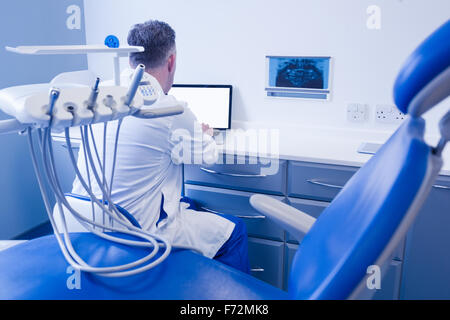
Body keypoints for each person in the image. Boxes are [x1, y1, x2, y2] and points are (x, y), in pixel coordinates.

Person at [71, 20, 250, 273]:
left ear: (130, 58)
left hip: (86, 222)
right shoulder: (169, 108)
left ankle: (181, 279)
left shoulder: (99, 96)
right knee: (235, 231)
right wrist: (204, 134)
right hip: (138, 233)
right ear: (171, 61)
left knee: (189, 202)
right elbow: (208, 156)